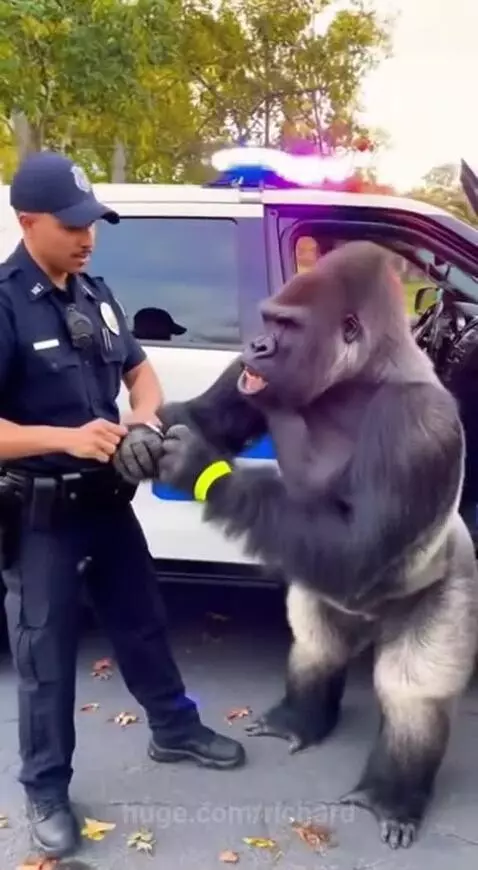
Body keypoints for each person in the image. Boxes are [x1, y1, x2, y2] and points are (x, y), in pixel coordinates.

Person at [0, 151, 245, 859]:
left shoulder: (93, 294)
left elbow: (140, 372)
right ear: (28, 222)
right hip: (40, 511)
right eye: (73, 224)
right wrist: (67, 438)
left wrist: (141, 420)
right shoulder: (7, 304)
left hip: (109, 503)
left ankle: (175, 729)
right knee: (46, 658)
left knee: (141, 621)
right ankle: (45, 788)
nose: (88, 235)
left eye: (93, 223)